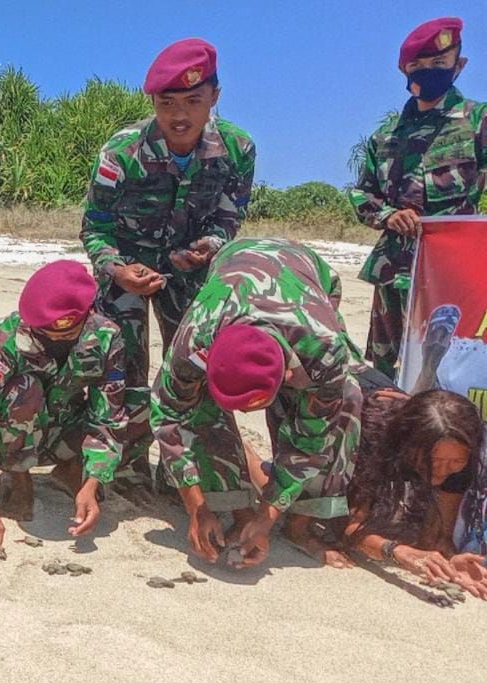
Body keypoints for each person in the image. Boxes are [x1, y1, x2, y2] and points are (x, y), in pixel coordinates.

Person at [82, 37, 256, 490]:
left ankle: (190, 472)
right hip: (127, 271)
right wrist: (117, 270)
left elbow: (228, 216)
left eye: (193, 102)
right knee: (123, 367)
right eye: (167, 103)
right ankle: (128, 472)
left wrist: (210, 245)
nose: (179, 116)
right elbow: (95, 228)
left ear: (214, 97)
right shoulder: (121, 152)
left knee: (196, 368)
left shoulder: (238, 149)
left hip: (189, 273)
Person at [151, 239, 362, 569]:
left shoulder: (325, 346)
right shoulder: (195, 338)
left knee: (346, 398)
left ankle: (299, 523)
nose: (244, 414)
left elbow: (312, 439)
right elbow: (168, 416)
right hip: (232, 266)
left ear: (287, 375)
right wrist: (197, 506)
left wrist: (269, 517)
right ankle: (237, 507)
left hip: (309, 273)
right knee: (199, 405)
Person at [0, 260, 128, 554]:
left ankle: (72, 470)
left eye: (64, 334)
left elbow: (107, 417)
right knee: (26, 389)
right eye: (44, 333)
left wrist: (93, 481)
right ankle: (18, 476)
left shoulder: (105, 337)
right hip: (8, 433)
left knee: (138, 404)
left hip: (60, 426)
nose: (52, 339)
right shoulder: (1, 343)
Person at [350, 17, 485, 379]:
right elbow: (362, 195)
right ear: (405, 71)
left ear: (459, 66)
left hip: (452, 273)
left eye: (439, 65)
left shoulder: (477, 122)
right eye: (418, 66)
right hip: (394, 272)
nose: (429, 73)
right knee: (384, 373)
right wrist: (388, 214)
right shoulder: (385, 136)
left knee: (449, 366)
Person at [345, 389, 486, 599]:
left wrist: (450, 563)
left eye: (455, 462)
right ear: (409, 446)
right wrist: (396, 551)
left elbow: (437, 538)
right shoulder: (375, 438)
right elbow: (347, 527)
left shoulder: (461, 455)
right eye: (433, 460)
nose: (442, 470)